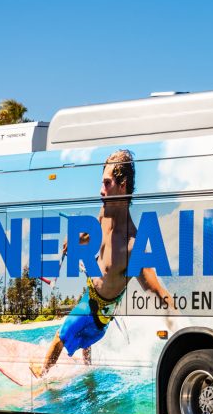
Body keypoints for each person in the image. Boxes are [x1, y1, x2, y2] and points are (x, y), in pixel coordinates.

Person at [30, 149, 175, 378]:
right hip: (90, 300)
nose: (101, 190)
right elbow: (93, 232)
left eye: (107, 183)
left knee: (60, 337)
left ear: (123, 185)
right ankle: (88, 376)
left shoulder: (132, 245)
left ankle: (40, 374)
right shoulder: (105, 211)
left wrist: (177, 326)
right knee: (83, 344)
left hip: (97, 316)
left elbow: (157, 290)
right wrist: (77, 240)